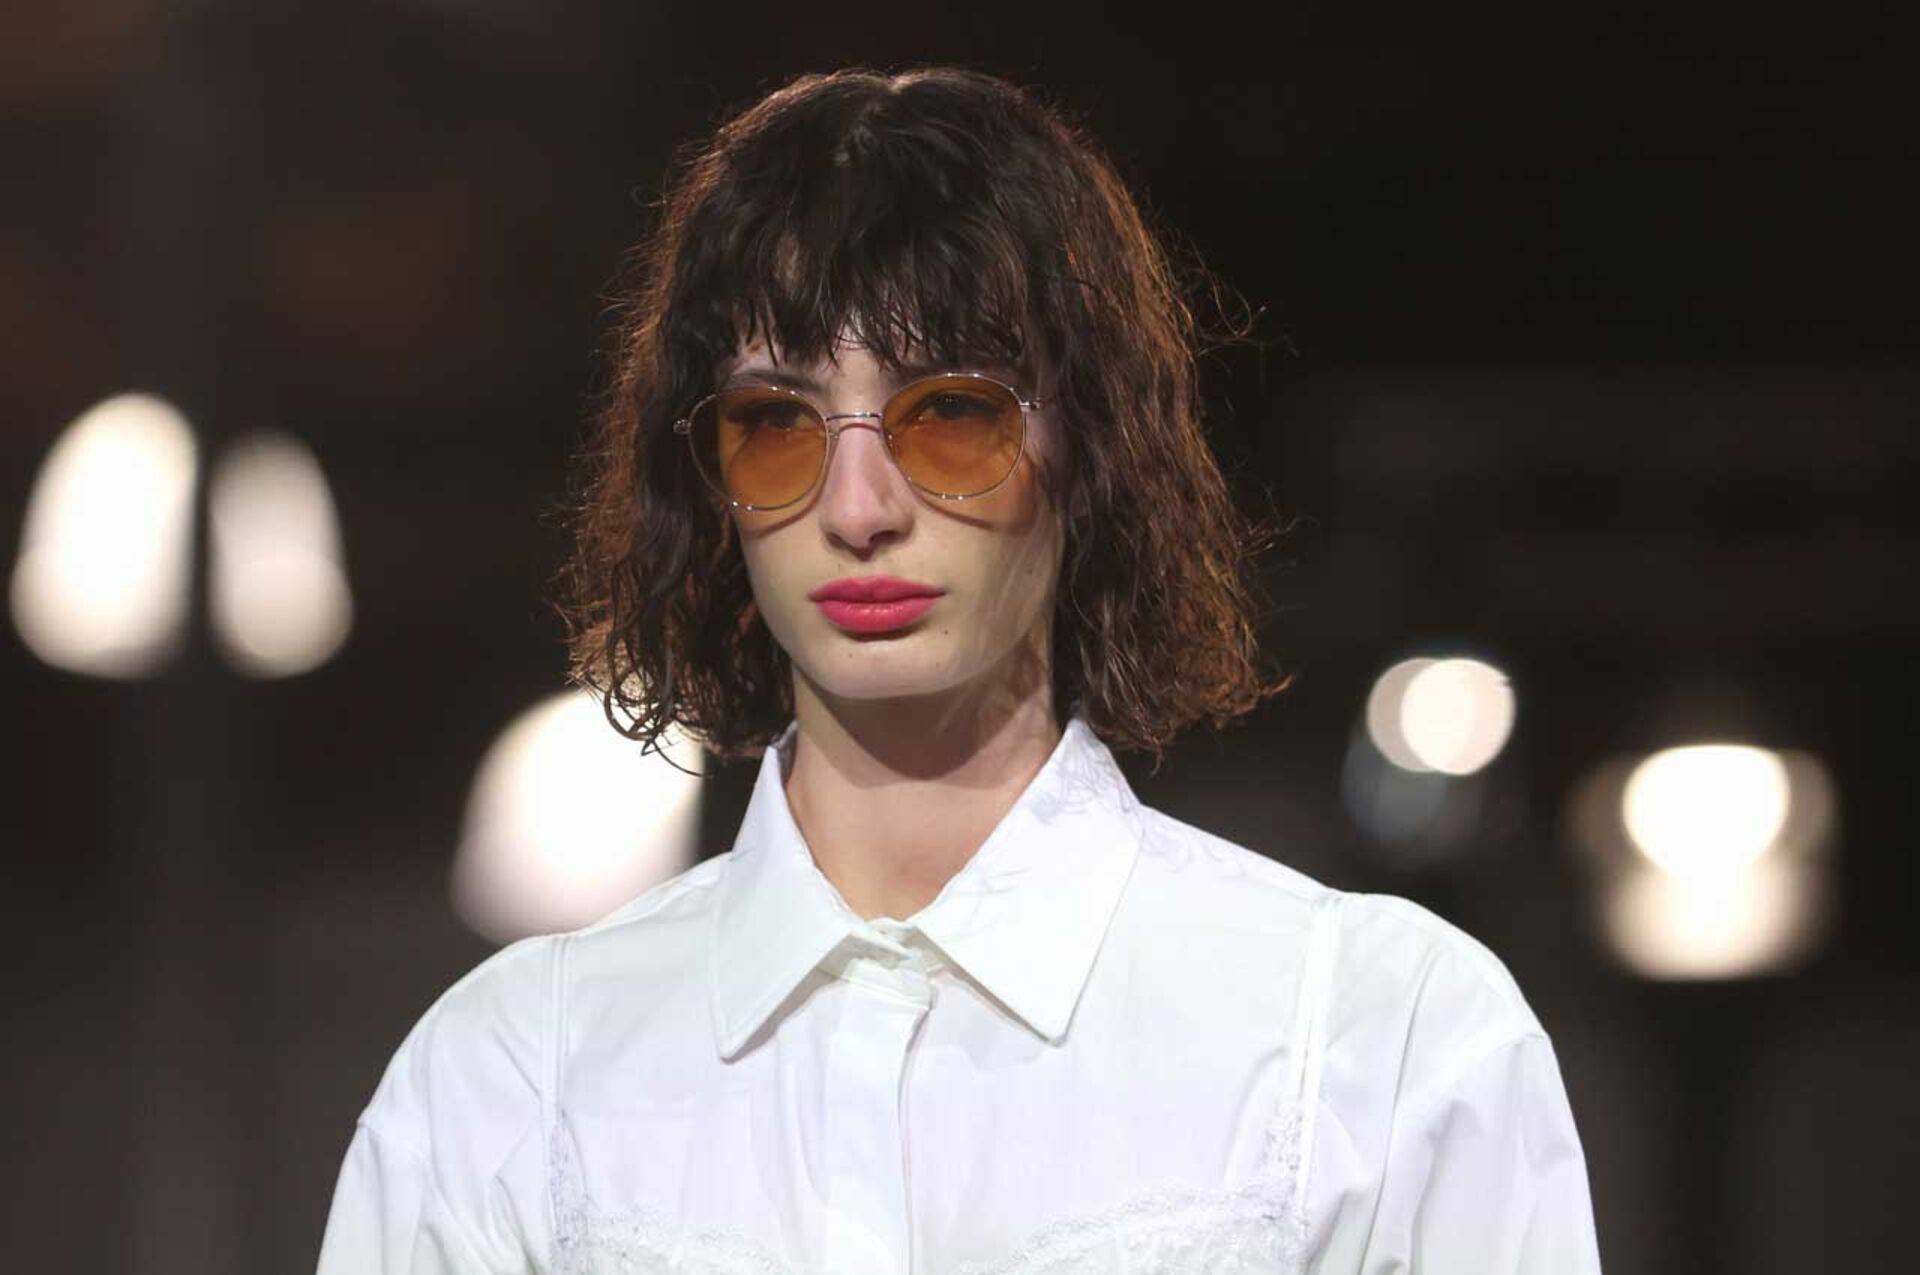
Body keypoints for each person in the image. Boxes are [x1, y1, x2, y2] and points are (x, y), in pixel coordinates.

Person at [315, 66, 1604, 1274]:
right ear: (708, 480)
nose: (858, 507)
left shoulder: (1381, 1046)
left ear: (1091, 447)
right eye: (777, 425)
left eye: (951, 413)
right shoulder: (506, 1090)